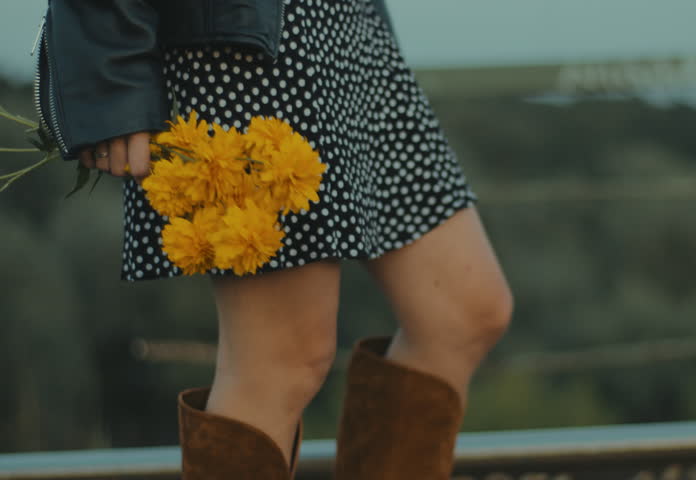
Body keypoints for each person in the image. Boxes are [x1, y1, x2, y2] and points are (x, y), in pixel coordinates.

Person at [39, 1, 513, 478]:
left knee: (464, 312)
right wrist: (112, 80)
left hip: (350, 33)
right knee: (281, 363)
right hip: (245, 44)